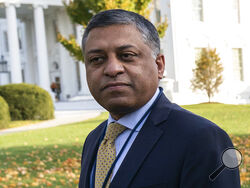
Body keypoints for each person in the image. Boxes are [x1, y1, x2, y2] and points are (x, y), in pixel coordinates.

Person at [78, 9, 240, 188]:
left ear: (159, 66)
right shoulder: (94, 140)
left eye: (127, 56)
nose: (112, 69)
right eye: (97, 59)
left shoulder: (201, 138)